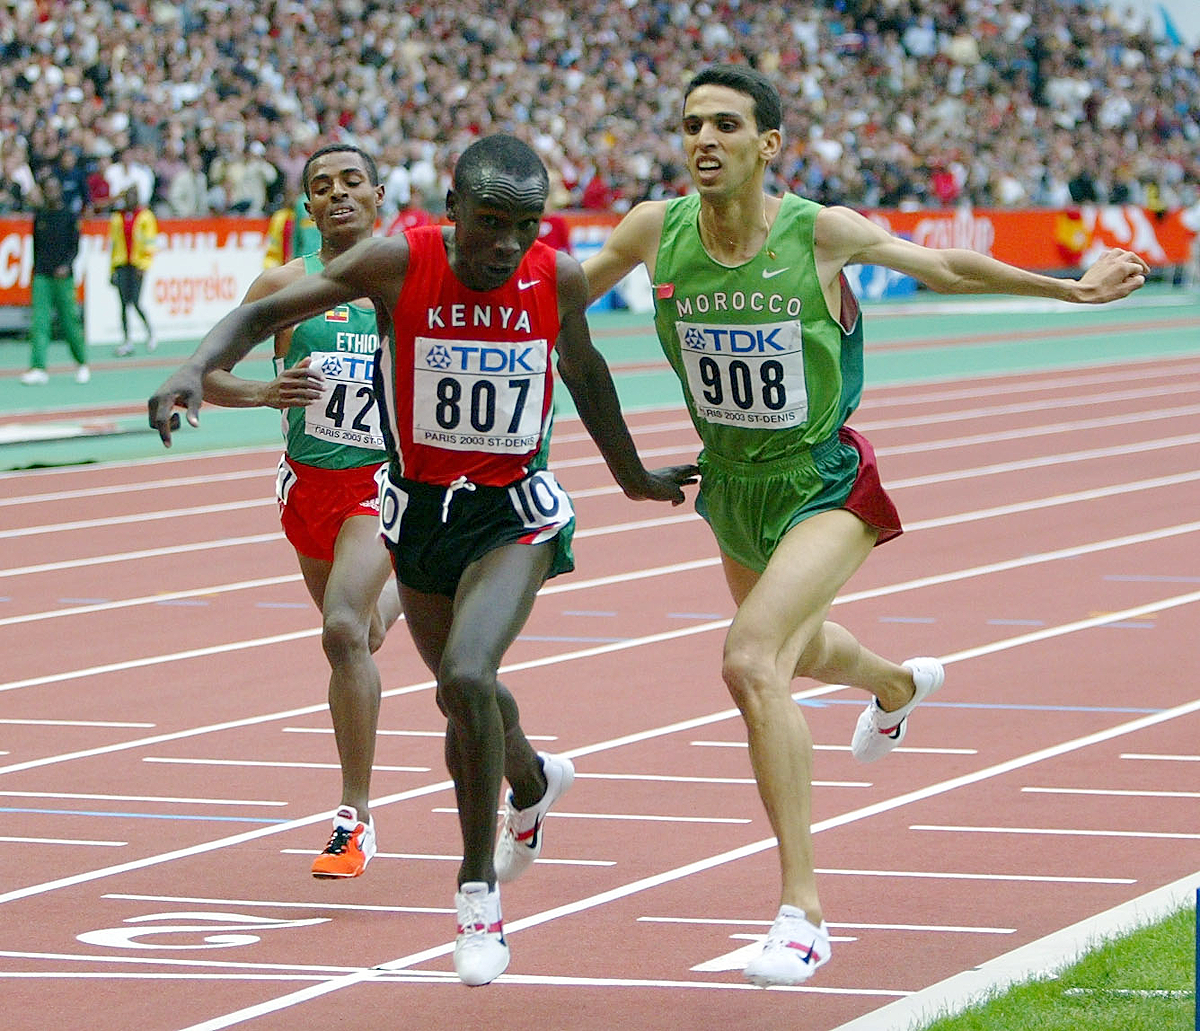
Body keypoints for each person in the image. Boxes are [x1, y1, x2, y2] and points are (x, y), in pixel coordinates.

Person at [581, 64, 1150, 989]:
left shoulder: (820, 232)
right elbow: (556, 290)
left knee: (752, 659)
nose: (703, 139)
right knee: (799, 653)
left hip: (825, 482)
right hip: (732, 487)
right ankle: (893, 686)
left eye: (726, 124)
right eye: (691, 124)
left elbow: (943, 266)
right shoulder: (656, 229)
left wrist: (1068, 291)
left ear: (769, 145)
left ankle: (802, 912)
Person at [148, 133, 697, 987]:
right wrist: (194, 369)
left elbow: (586, 374)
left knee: (471, 676)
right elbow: (260, 316)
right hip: (420, 516)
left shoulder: (552, 276)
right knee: (454, 690)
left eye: (526, 225)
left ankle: (477, 894)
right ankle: (533, 773)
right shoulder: (399, 264)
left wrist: (635, 479)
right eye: (489, 223)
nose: (507, 245)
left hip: (513, 513)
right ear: (451, 213)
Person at [200, 143, 402, 881]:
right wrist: (262, 392)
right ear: (308, 206)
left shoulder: (405, 274)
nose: (339, 194)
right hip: (305, 488)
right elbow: (211, 370)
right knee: (367, 632)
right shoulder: (285, 282)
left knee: (343, 628)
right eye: (323, 186)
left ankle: (355, 817)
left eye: (353, 182)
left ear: (379, 194)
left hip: (377, 483)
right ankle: (407, 588)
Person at [19, 172, 90, 386]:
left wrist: (66, 266)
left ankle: (82, 363)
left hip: (63, 277)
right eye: (46, 189)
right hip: (42, 275)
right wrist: (35, 269)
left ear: (59, 191)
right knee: (39, 322)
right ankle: (38, 367)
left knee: (69, 321)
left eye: (53, 188)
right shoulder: (40, 216)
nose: (50, 193)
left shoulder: (69, 216)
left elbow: (75, 247)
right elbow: (36, 246)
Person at [110, 184, 158, 356]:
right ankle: (126, 340)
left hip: (137, 266)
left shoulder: (145, 217)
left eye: (134, 195)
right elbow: (114, 245)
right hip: (122, 265)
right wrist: (112, 269)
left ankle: (150, 333)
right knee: (123, 304)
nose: (131, 199)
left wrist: (144, 265)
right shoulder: (117, 218)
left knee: (136, 302)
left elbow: (150, 243)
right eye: (128, 195)